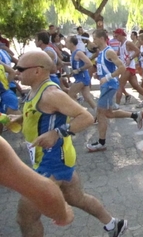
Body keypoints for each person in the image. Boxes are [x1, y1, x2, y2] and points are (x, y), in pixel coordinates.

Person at [10, 51, 127, 237]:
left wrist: (57, 133)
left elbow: (86, 117)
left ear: (38, 71)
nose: (16, 72)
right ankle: (114, 224)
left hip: (52, 162)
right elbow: (40, 117)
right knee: (77, 199)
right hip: (51, 160)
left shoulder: (51, 94)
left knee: (26, 218)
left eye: (21, 68)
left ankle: (113, 224)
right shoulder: (34, 90)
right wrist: (17, 118)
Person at [86, 29, 143, 152]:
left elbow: (122, 67)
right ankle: (135, 115)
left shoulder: (109, 51)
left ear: (101, 38)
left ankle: (101, 143)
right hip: (106, 85)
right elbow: (107, 69)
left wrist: (107, 77)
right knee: (109, 113)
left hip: (109, 85)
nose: (94, 41)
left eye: (95, 38)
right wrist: (99, 75)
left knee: (101, 113)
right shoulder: (101, 53)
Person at [0, 136, 74, 227]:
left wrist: (54, 133)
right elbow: (46, 193)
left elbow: (46, 192)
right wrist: (63, 216)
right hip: (47, 164)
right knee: (26, 218)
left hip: (54, 161)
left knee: (26, 218)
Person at [66, 35, 97, 112]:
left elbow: (89, 63)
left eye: (67, 42)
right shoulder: (73, 53)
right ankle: (98, 113)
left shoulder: (78, 52)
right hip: (81, 77)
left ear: (72, 43)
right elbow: (75, 64)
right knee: (87, 97)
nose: (65, 44)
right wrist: (63, 63)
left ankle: (79, 113)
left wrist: (79, 69)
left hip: (82, 78)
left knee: (70, 95)